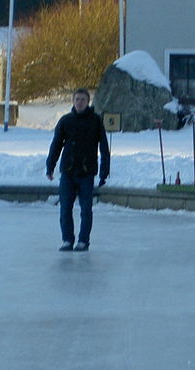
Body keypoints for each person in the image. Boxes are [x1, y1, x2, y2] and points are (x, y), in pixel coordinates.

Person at [46, 88, 110, 251]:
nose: (79, 102)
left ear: (87, 101)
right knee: (65, 208)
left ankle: (83, 241)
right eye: (77, 99)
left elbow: (104, 147)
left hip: (86, 172)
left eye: (82, 99)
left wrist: (104, 172)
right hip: (68, 171)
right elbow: (56, 145)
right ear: (73, 101)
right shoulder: (66, 121)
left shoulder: (95, 121)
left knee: (86, 209)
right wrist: (50, 166)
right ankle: (67, 239)